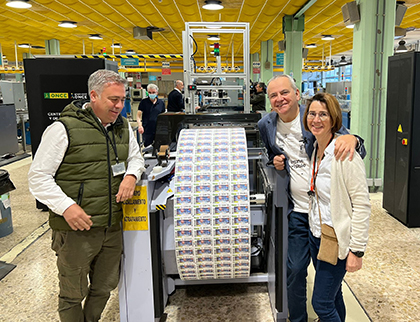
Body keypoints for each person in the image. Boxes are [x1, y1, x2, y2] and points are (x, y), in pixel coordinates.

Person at [28, 70, 145, 322]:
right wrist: (66, 207)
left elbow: (136, 157)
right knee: (72, 293)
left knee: (104, 286)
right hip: (76, 230)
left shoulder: (122, 127)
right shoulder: (63, 129)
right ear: (93, 96)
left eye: (123, 100)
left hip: (111, 226)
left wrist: (131, 175)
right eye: (113, 99)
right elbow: (38, 177)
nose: (119, 106)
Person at [257, 75, 365, 322]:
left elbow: (348, 144)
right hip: (297, 212)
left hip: (326, 216)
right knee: (294, 270)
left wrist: (355, 139)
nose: (279, 99)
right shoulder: (266, 124)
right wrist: (274, 163)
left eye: (284, 92)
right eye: (273, 95)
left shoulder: (314, 117)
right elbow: (268, 155)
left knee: (328, 283)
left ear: (297, 94)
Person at [303, 93, 370, 321]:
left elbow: (361, 205)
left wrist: (357, 251)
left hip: (336, 239)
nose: (316, 119)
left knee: (321, 303)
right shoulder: (315, 149)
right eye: (312, 114)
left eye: (323, 114)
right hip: (317, 236)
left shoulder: (345, 156)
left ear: (334, 119)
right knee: (334, 296)